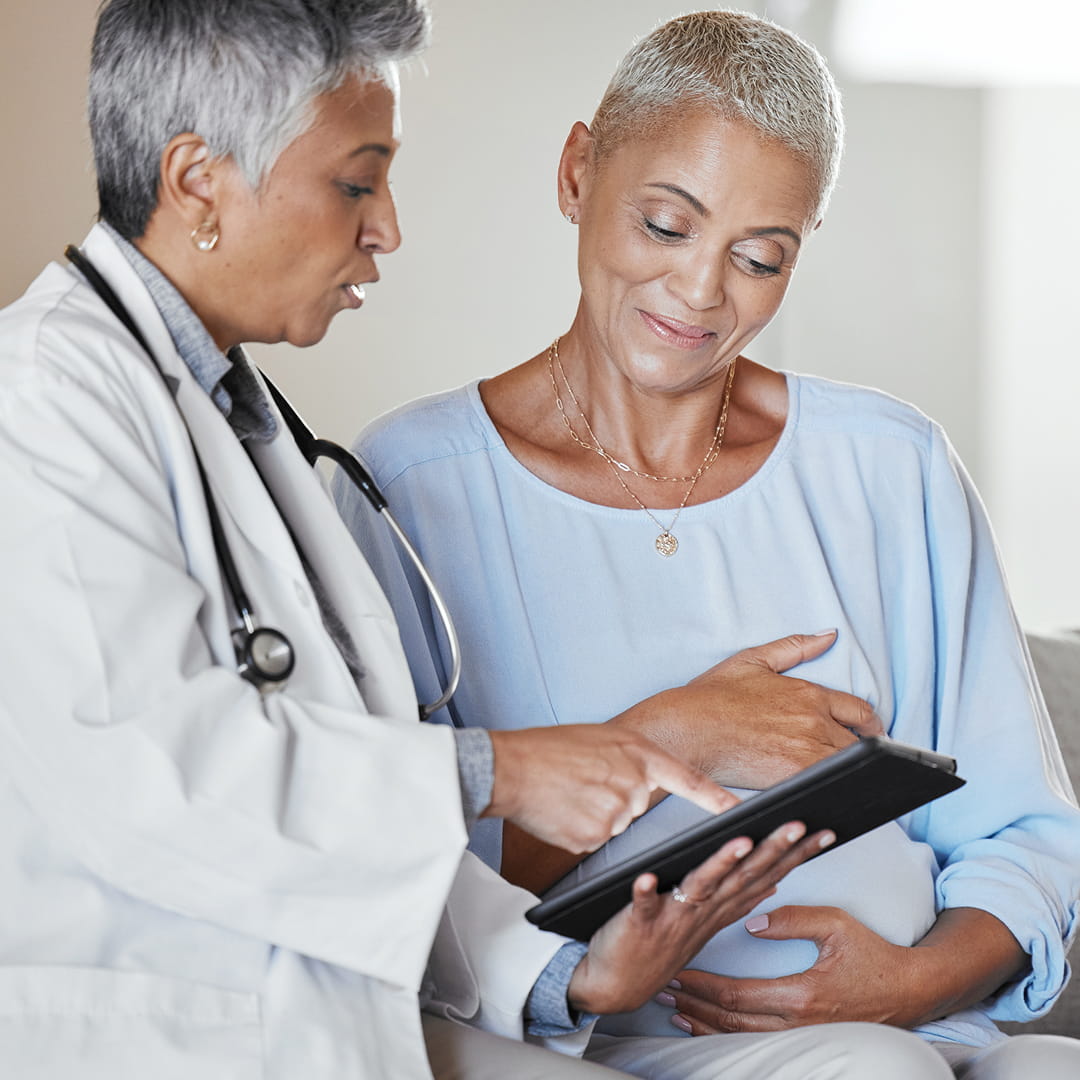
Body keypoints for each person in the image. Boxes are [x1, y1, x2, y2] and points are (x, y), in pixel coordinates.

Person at [0, 2, 903, 1078]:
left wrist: (560, 975)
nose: (386, 227)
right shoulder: (42, 400)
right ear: (198, 180)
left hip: (317, 1019)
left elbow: (350, 819)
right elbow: (156, 776)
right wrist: (498, 771)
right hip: (150, 1034)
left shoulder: (247, 427)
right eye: (354, 181)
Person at [337, 9, 1080, 1080]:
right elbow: (400, 859)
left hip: (919, 1022)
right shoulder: (412, 486)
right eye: (665, 225)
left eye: (759, 258)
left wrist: (911, 984)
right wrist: (673, 737)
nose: (698, 292)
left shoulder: (890, 465)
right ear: (579, 171)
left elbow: (1029, 834)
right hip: (613, 1047)